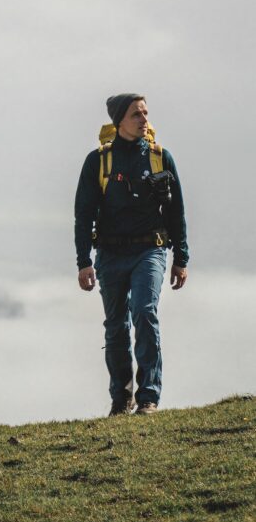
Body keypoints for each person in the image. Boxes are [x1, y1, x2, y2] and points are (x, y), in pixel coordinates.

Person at [75, 94, 189, 416]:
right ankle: (121, 399)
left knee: (144, 311)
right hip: (110, 254)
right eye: (136, 114)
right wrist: (83, 261)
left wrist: (181, 257)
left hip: (150, 250)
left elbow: (176, 210)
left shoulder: (160, 157)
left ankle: (149, 397)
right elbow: (83, 214)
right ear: (119, 121)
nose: (143, 119)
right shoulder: (98, 162)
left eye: (145, 113)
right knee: (115, 326)